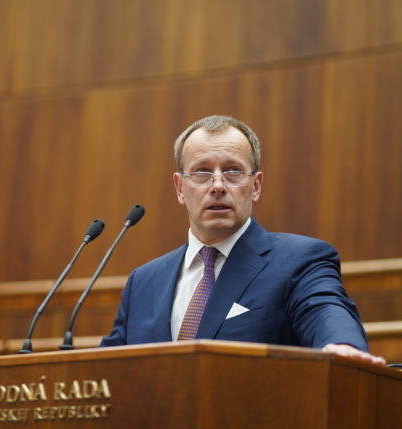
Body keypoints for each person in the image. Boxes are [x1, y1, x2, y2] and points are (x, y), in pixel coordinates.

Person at [100, 115, 385, 365]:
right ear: (180, 187)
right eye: (202, 172)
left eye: (233, 171)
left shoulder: (299, 260)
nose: (217, 185)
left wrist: (341, 344)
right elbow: (105, 370)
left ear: (256, 185)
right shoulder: (143, 282)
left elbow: (325, 308)